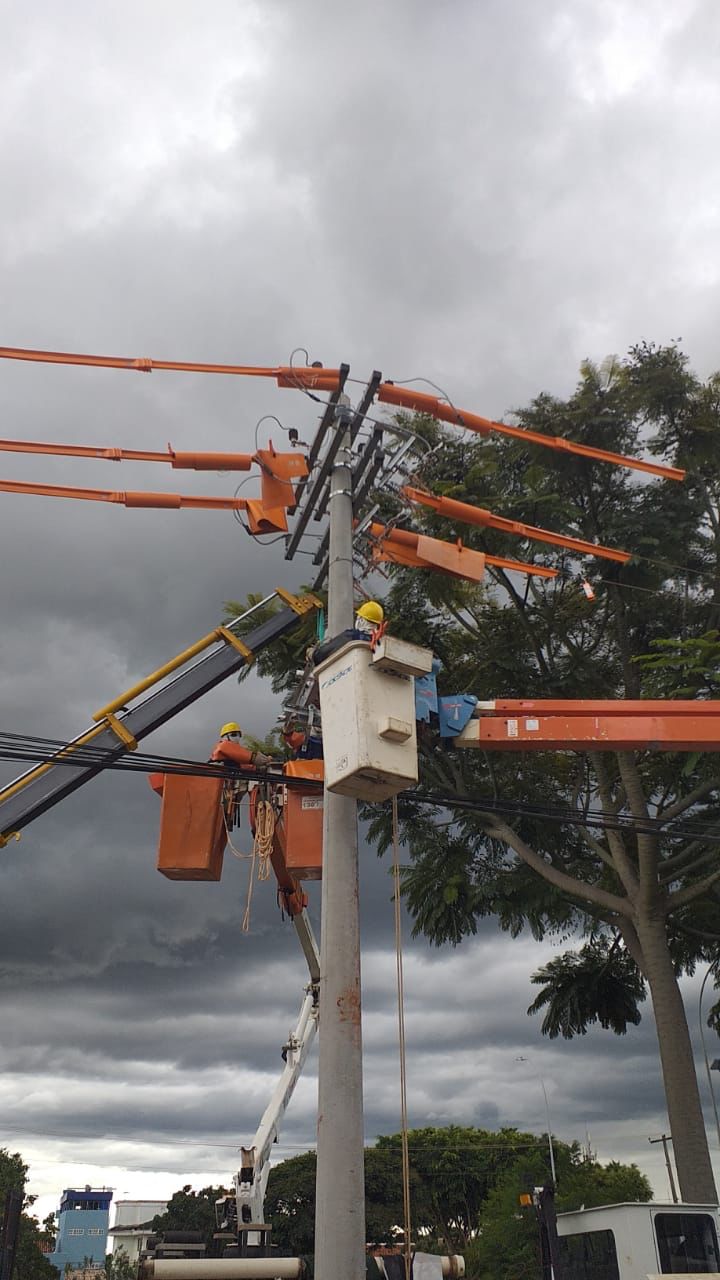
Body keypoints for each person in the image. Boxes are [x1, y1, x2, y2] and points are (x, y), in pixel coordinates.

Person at [311, 601, 385, 666]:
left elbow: (321, 655)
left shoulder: (351, 636)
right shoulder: (381, 642)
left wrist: (312, 654)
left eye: (358, 617)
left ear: (361, 620)